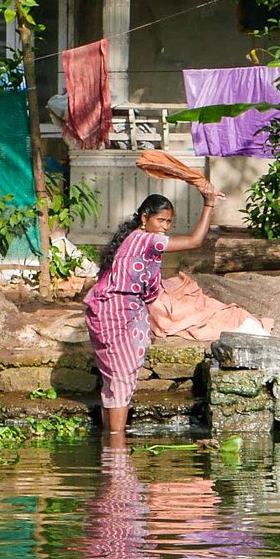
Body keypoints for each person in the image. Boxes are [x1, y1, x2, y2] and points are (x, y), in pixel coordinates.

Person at [83, 184, 223, 441]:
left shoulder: (129, 238)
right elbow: (195, 240)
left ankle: (109, 449)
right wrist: (208, 204)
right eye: (161, 220)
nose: (165, 227)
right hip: (118, 314)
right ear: (144, 218)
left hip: (104, 311)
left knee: (112, 385)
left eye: (169, 222)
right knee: (121, 383)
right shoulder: (146, 239)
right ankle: (116, 451)